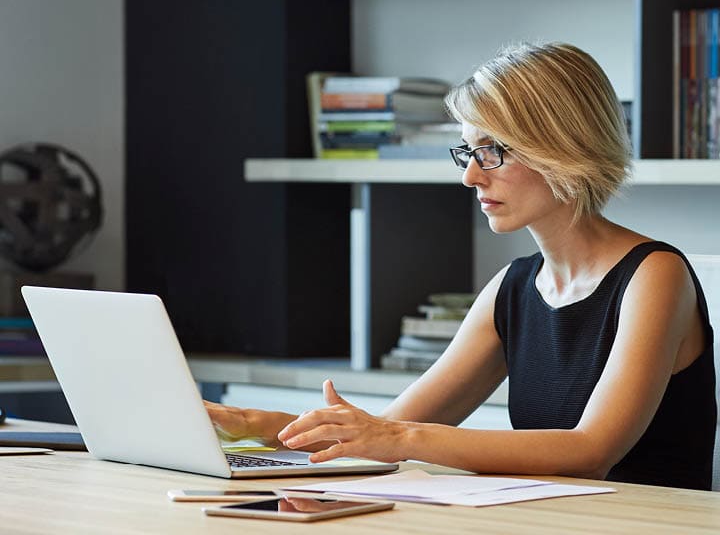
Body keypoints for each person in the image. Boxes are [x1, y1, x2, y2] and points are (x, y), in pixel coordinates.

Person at [206, 42, 716, 490]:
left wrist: (397, 437)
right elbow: (387, 428)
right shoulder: (513, 287)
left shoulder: (655, 276)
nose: (470, 177)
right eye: (467, 152)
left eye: (492, 151)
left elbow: (590, 452)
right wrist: (249, 421)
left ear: (561, 146)